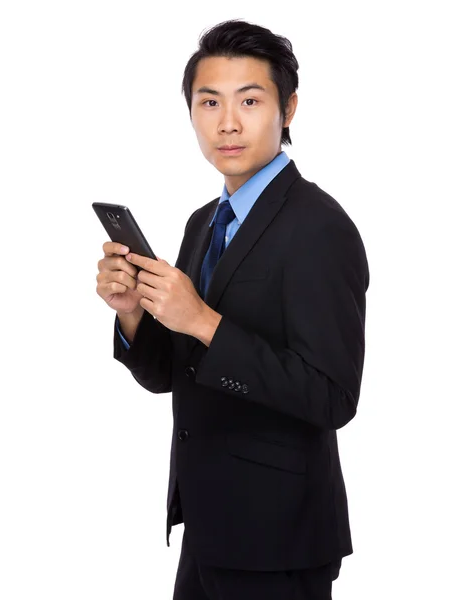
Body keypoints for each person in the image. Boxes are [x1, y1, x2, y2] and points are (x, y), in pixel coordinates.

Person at [96, 18, 369, 600]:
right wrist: (133, 315)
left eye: (250, 100)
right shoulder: (204, 222)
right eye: (208, 101)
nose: (227, 122)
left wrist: (201, 319)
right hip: (206, 528)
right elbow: (173, 374)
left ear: (288, 108)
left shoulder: (320, 228)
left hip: (279, 543)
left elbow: (333, 397)